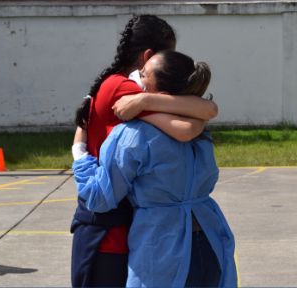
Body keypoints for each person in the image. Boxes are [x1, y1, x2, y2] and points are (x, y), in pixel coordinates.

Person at [71, 15, 219, 287]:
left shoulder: (135, 125)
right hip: (205, 238)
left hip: (146, 241)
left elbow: (99, 196)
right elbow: (203, 114)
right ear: (149, 55)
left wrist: (78, 152)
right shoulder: (199, 132)